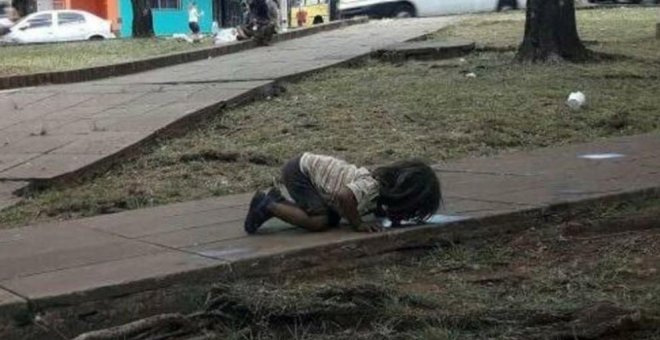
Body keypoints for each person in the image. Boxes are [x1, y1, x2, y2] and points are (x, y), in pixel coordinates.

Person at [244, 153, 442, 234]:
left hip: (308, 170)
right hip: (300, 172)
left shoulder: (378, 193)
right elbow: (343, 196)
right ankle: (268, 205)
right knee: (321, 221)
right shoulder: (370, 188)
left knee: (332, 218)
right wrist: (358, 224)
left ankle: (277, 200)